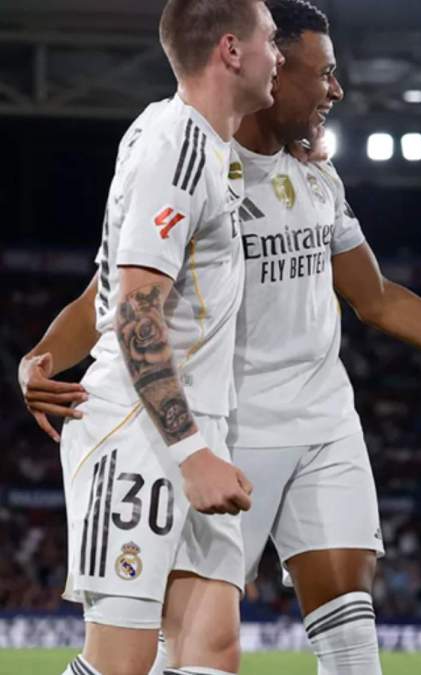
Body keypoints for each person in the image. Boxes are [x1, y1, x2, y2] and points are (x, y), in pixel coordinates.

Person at [19, 2, 421, 672]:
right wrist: (49, 358)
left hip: (301, 417)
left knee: (232, 647)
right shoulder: (182, 147)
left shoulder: (298, 168)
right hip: (197, 426)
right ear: (251, 57)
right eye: (315, 68)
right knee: (133, 659)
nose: (337, 90)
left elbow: (374, 295)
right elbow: (125, 295)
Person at [22, 1, 282, 673]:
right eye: (271, 40)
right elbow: (136, 309)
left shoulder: (189, 141)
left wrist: (42, 355)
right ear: (231, 49)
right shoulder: (178, 144)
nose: (279, 55)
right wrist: (192, 452)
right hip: (140, 431)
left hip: (191, 430)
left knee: (212, 649)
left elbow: (106, 287)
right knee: (122, 662)